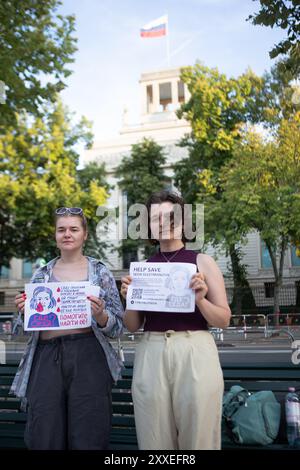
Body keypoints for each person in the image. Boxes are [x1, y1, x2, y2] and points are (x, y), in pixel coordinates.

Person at [121, 191, 231, 450]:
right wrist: (130, 299)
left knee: (199, 435)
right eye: (156, 217)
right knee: (154, 438)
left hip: (195, 350)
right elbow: (132, 325)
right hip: (152, 351)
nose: (164, 222)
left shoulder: (202, 261)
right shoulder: (144, 268)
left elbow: (224, 319)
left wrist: (201, 300)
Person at [12, 207, 124, 450]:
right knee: (45, 431)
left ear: (84, 234)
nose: (67, 234)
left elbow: (119, 326)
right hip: (46, 356)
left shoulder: (100, 272)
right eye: (61, 229)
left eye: (74, 229)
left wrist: (101, 315)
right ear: (55, 235)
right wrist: (22, 313)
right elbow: (22, 331)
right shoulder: (41, 275)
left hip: (89, 355)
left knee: (89, 431)